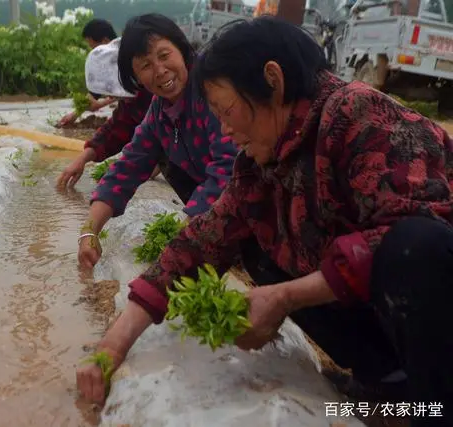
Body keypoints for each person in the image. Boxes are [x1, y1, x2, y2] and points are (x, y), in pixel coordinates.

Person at [76, 17, 453, 427]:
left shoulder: (362, 116)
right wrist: (113, 346)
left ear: (272, 81)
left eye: (227, 111)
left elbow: (415, 238)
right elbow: (201, 242)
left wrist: (284, 298)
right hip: (391, 319)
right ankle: (389, 385)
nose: (224, 128)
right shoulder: (262, 160)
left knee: (411, 246)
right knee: (259, 246)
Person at [76, 13, 239, 269]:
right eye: (145, 65)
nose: (160, 71)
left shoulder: (212, 91)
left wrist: (186, 232)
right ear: (136, 77)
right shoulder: (159, 111)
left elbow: (229, 170)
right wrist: (90, 230)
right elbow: (127, 168)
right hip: (220, 215)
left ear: (182, 50)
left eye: (164, 56)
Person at [56, 37, 157, 189]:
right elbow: (116, 129)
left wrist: (158, 162)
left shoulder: (157, 92)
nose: (113, 98)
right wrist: (82, 159)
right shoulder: (131, 101)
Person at [56, 19, 119, 127]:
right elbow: (95, 93)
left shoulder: (126, 56)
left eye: (94, 48)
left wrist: (100, 104)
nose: (93, 52)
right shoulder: (106, 61)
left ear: (105, 41)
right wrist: (74, 114)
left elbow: (131, 91)